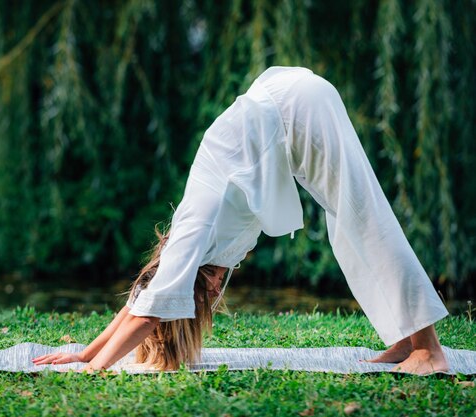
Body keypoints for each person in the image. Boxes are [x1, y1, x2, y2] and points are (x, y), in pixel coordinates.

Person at [32, 66, 449, 375]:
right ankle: (405, 341)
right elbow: (142, 299)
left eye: (205, 297)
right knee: (349, 224)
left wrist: (93, 370)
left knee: (362, 216)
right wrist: (86, 352)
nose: (216, 293)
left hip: (295, 109)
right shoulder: (198, 249)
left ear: (193, 285)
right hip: (284, 112)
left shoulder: (195, 231)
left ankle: (429, 350)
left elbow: (148, 312)